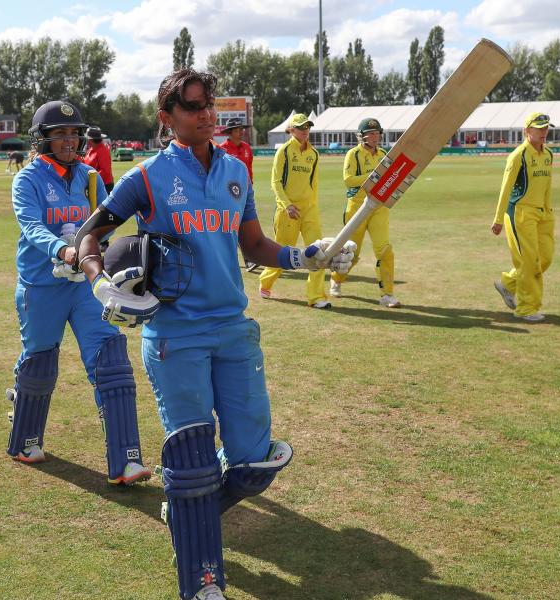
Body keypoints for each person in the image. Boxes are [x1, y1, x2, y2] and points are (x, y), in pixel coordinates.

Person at [72, 68, 354, 600]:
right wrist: (101, 285)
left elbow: (256, 248)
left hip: (233, 330)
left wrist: (307, 256)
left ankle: (186, 503)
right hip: (175, 335)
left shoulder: (236, 173)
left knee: (253, 462)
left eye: (210, 105)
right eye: (192, 106)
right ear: (167, 118)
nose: (206, 115)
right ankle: (201, 576)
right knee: (194, 455)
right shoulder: (147, 177)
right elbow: (92, 236)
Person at [6, 99, 152, 487]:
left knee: (112, 360)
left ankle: (126, 460)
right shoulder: (28, 180)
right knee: (39, 364)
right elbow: (33, 228)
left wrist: (101, 251)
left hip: (85, 286)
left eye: (74, 134)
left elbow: (102, 224)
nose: (70, 140)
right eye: (61, 134)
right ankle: (25, 438)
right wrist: (63, 249)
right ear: (42, 139)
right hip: (42, 288)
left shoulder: (90, 176)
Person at [258, 113, 330, 308]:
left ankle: (316, 297)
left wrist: (313, 209)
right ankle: (266, 281)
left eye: (307, 127)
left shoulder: (313, 154)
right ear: (291, 130)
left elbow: (313, 185)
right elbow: (276, 182)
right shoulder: (284, 151)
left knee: (320, 251)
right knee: (283, 252)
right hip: (287, 210)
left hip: (309, 210)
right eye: (301, 127)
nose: (305, 130)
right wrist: (286, 205)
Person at [329, 118, 401, 308]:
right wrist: (375, 177)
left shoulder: (384, 154)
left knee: (385, 251)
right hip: (357, 208)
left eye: (377, 133)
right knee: (352, 254)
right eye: (371, 134)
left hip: (379, 208)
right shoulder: (353, 154)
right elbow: (349, 180)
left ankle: (387, 294)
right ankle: (336, 278)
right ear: (362, 136)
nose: (375, 137)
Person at [490, 112, 555, 323]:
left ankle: (508, 283)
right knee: (529, 261)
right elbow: (505, 188)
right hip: (520, 213)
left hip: (542, 214)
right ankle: (527, 308)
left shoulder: (548, 155)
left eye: (546, 128)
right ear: (527, 131)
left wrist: (547, 210)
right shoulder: (518, 155)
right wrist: (498, 219)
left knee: (545, 258)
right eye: (539, 128)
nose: (544, 132)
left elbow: (547, 186)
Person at [218, 117, 258, 272]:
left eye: (242, 129)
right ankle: (243, 260)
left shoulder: (247, 148)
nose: (241, 132)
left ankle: (248, 260)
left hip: (244, 193)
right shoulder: (222, 149)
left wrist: (250, 186)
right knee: (232, 225)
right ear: (230, 132)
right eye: (237, 130)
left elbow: (249, 169)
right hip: (225, 193)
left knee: (244, 225)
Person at [83, 126, 115, 193]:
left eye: (86, 138)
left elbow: (105, 171)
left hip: (103, 186)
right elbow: (85, 162)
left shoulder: (103, 151)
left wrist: (90, 179)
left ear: (90, 140)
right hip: (93, 185)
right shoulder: (92, 149)